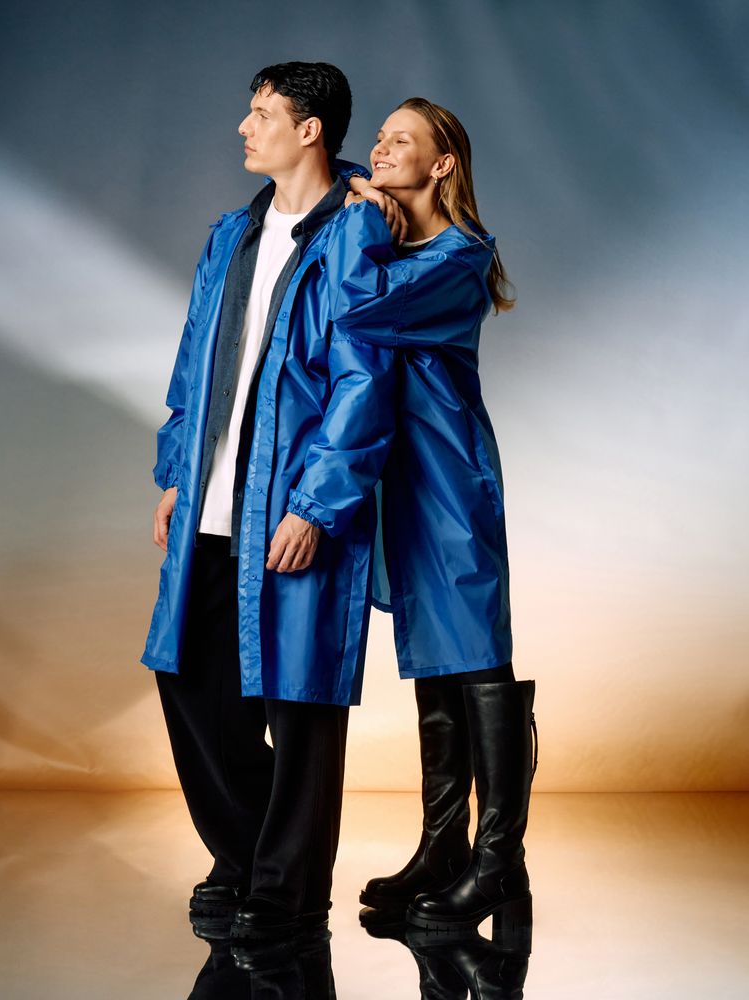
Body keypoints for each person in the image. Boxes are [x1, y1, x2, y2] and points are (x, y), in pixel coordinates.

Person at [141, 62, 403, 942]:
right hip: (214, 502)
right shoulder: (233, 234)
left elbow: (365, 381)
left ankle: (287, 892)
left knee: (300, 703)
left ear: (310, 129)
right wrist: (176, 476)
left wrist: (317, 506)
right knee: (189, 678)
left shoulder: (356, 233)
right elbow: (192, 363)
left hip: (293, 506)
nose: (244, 128)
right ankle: (248, 856)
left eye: (261, 114)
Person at [310, 97, 539, 931]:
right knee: (436, 660)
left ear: (441, 164)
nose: (379, 149)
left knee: (477, 657)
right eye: (378, 137)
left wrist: (360, 219)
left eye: (399, 140)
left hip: (449, 483)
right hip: (400, 484)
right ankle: (443, 848)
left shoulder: (461, 256)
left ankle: (498, 862)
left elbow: (360, 307)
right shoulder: (399, 247)